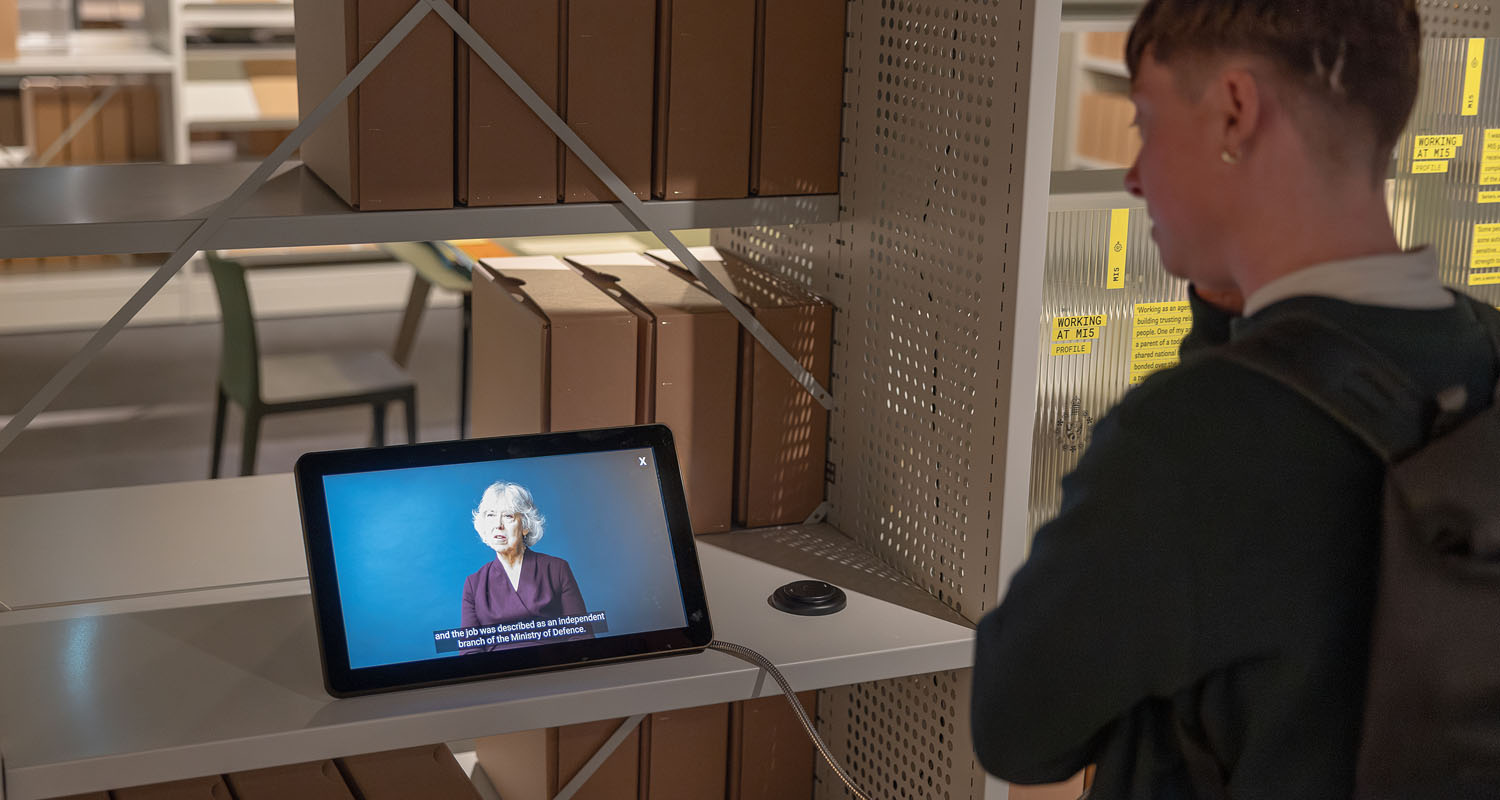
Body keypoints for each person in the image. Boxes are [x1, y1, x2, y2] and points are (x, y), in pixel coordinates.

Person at [971, 1, 1498, 797]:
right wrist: (1230, 312)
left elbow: (1014, 730)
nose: (1135, 174)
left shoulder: (1182, 444)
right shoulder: (1486, 356)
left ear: (1234, 111)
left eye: (1145, 122)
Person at [460, 481, 591, 652]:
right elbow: (470, 651)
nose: (498, 525)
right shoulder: (474, 583)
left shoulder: (557, 569)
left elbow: (581, 636)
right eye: (491, 515)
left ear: (525, 526)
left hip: (554, 666)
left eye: (508, 516)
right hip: (497, 673)